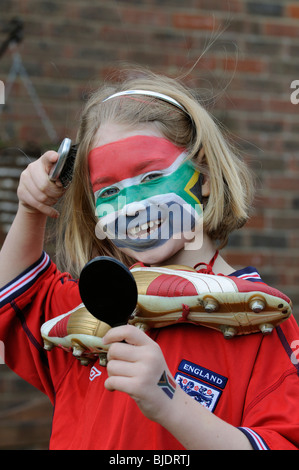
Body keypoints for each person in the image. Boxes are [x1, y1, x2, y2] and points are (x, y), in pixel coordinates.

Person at [0, 69, 298, 450]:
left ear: (203, 172)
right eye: (107, 191)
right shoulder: (89, 311)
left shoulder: (260, 318)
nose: (129, 206)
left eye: (149, 176)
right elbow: (11, 298)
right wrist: (30, 208)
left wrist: (169, 403)